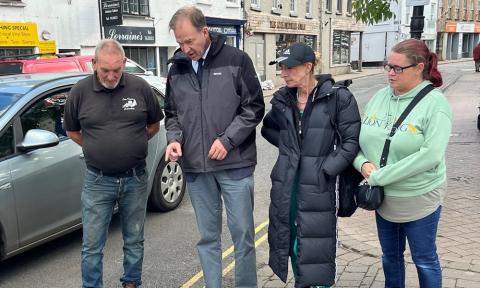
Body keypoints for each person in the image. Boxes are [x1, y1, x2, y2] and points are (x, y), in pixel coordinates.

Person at [164, 5, 265, 288]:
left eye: (189, 41)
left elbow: (254, 107)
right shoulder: (177, 69)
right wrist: (173, 140)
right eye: (180, 43)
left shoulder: (237, 59)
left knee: (243, 235)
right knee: (208, 238)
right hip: (197, 168)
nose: (185, 48)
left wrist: (227, 139)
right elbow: (171, 114)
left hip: (235, 165)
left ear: (204, 31)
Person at [353, 38, 453, 288]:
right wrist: (361, 163)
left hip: (418, 198)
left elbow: (430, 156)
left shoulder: (435, 104)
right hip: (385, 199)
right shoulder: (379, 97)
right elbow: (356, 140)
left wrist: (376, 177)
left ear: (419, 68)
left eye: (398, 68)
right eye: (388, 66)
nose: (390, 73)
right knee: (390, 258)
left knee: (424, 260)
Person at [64, 39, 163, 288]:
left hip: (135, 178)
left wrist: (131, 142)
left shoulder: (140, 88)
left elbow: (153, 125)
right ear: (94, 64)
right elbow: (72, 131)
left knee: (134, 238)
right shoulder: (80, 91)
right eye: (105, 70)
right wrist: (96, 147)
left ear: (124, 64)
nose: (111, 76)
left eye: (117, 70)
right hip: (98, 180)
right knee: (92, 245)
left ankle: (131, 283)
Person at [261, 42, 361, 287]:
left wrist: (326, 168)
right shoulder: (283, 100)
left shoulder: (338, 97)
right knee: (290, 237)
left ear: (308, 67)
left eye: (289, 68)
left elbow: (352, 142)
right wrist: (292, 152)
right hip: (288, 183)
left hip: (320, 184)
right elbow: (268, 129)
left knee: (316, 242)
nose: (283, 73)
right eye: (281, 68)